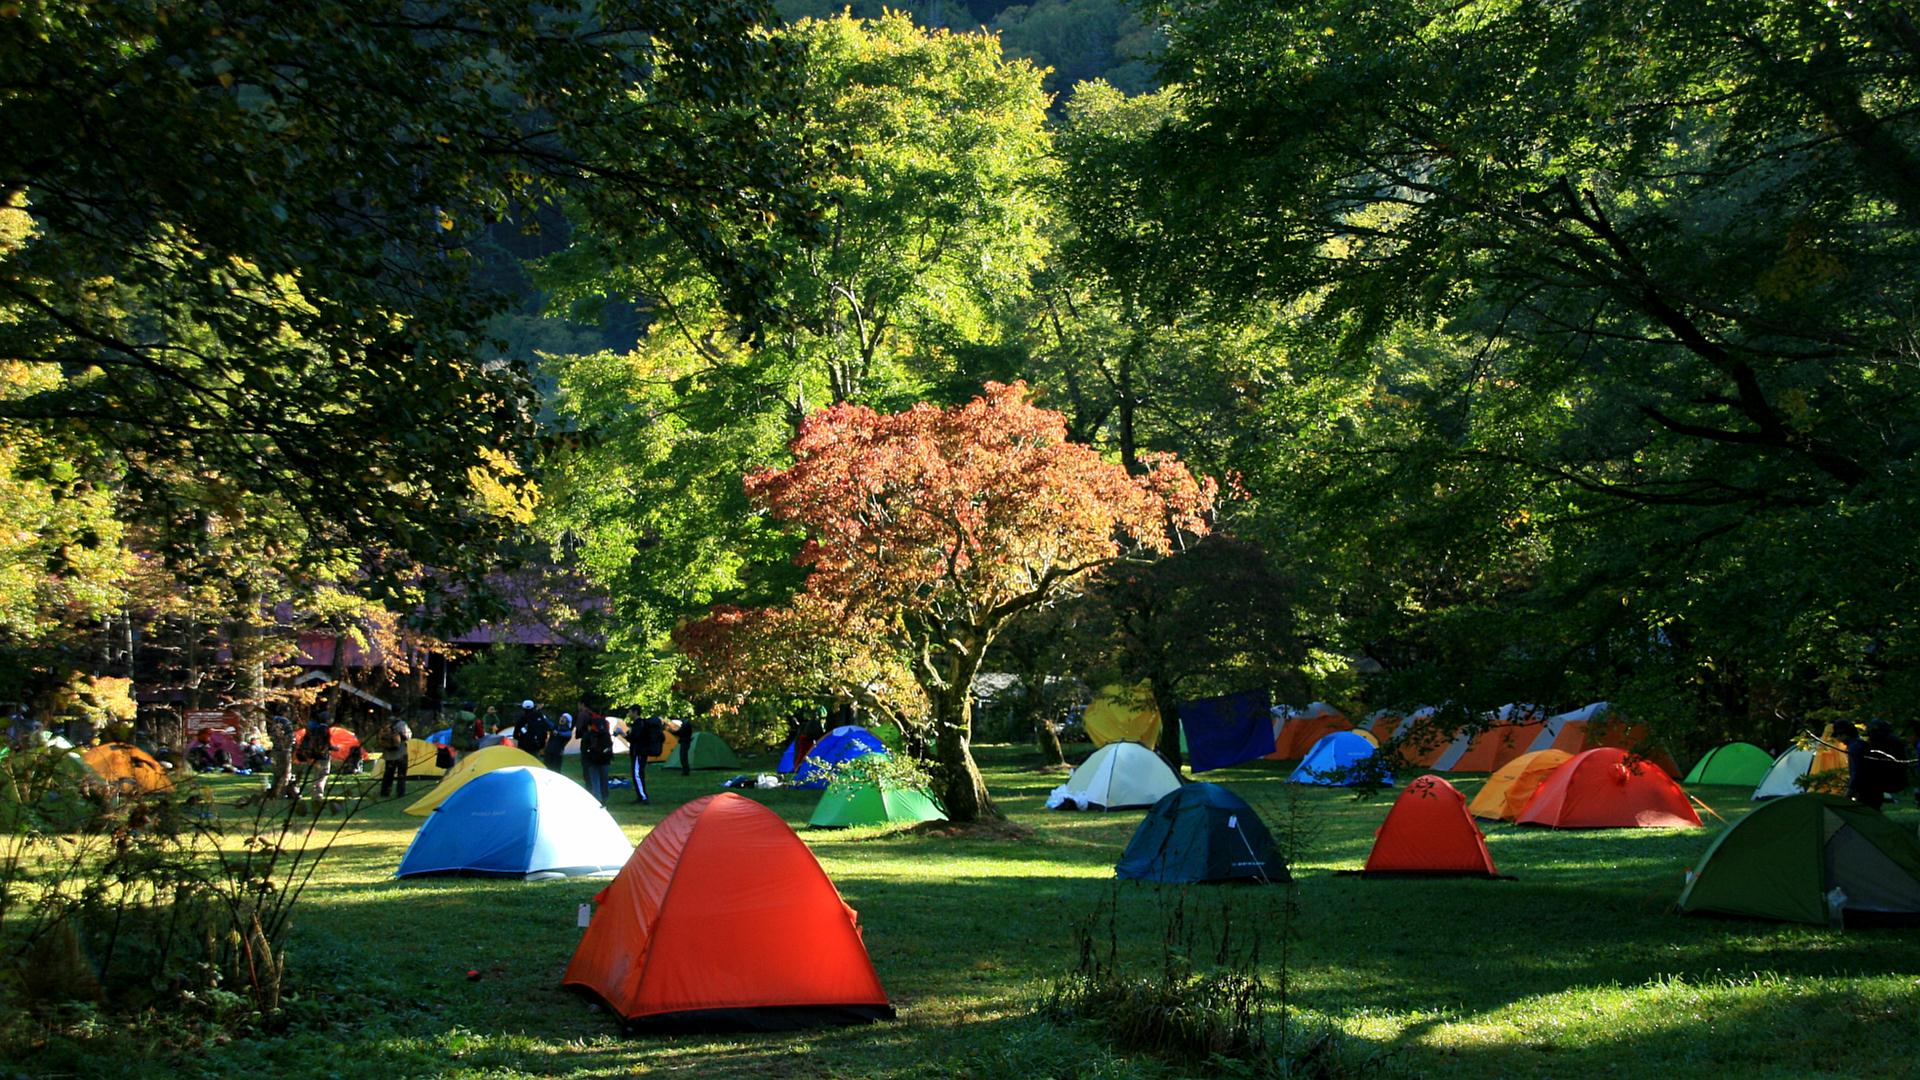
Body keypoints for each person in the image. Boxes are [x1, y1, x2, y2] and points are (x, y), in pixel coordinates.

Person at [577, 711, 615, 806]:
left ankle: (597, 798)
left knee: (595, 780)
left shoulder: (588, 736)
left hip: (592, 761)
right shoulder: (606, 735)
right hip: (605, 760)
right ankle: (605, 797)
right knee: (604, 779)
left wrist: (585, 762)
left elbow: (584, 750)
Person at [629, 714, 665, 804]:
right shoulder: (644, 724)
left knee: (637, 774)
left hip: (639, 752)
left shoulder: (639, 724)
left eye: (630, 712)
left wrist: (623, 734)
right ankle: (641, 796)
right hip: (643, 752)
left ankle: (643, 797)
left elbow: (634, 738)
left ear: (635, 712)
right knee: (639, 774)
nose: (628, 714)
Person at [295, 717, 334, 799]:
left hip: (314, 757)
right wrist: (336, 748)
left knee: (316, 774)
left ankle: (313, 792)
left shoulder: (312, 730)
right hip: (324, 757)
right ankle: (319, 793)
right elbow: (328, 745)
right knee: (323, 775)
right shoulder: (324, 730)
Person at [378, 715, 411, 798]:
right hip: (401, 753)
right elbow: (408, 737)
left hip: (388, 754)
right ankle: (400, 793)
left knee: (388, 774)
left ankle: (385, 792)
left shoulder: (386, 723)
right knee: (401, 774)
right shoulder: (401, 724)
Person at [267, 713, 296, 798]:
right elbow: (285, 744)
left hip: (278, 752)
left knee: (279, 773)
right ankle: (280, 792)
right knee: (284, 773)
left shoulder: (276, 731)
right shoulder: (280, 732)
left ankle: (276, 792)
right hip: (283, 753)